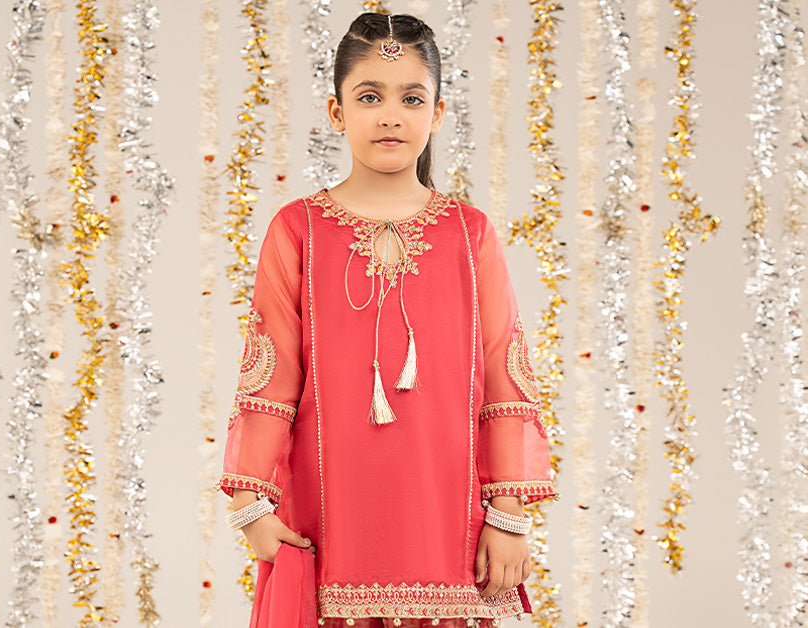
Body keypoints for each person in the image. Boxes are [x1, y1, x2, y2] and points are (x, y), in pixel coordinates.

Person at [218, 12, 556, 627]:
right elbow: (271, 373)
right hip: (329, 518)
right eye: (370, 97)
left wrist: (507, 513)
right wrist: (250, 504)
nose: (391, 116)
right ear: (337, 111)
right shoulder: (299, 229)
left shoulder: (468, 233)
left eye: (412, 98)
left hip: (448, 519)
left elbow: (504, 375)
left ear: (438, 113)